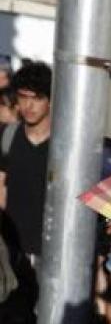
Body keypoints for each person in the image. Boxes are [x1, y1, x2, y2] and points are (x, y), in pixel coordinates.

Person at [0, 62, 53, 265]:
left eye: (37, 98)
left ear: (50, 100)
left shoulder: (64, 147)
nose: (28, 106)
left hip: (50, 251)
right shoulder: (7, 135)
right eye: (23, 97)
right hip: (11, 249)